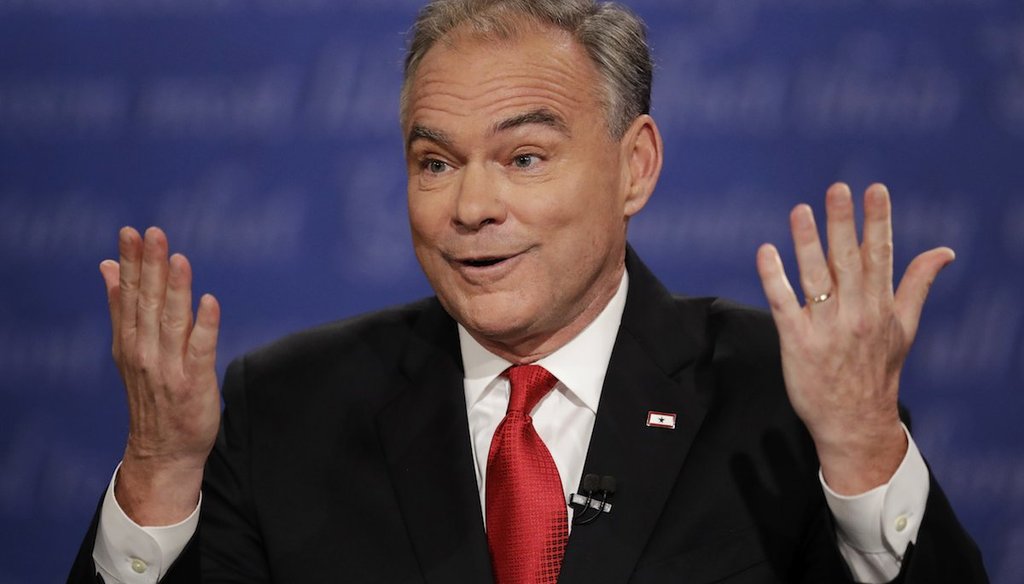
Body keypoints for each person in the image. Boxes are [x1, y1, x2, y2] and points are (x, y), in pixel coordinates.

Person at [68, 0, 988, 582]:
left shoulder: (776, 397)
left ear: (635, 167)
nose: (471, 205)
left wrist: (866, 454)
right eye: (435, 162)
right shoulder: (287, 407)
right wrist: (158, 477)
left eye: (525, 157)